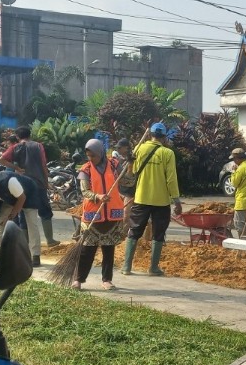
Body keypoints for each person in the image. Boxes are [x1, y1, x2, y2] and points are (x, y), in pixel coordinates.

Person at [121, 122, 182, 277]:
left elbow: (132, 171)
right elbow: (171, 179)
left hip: (141, 198)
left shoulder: (139, 149)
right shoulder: (167, 153)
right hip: (161, 201)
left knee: (134, 231)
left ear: (150, 135)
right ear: (164, 137)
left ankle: (126, 266)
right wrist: (176, 200)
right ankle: (153, 268)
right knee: (158, 234)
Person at [72, 139, 125, 291]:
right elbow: (85, 191)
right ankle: (78, 279)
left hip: (113, 214)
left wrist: (130, 166)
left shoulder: (114, 164)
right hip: (93, 215)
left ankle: (107, 280)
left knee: (109, 249)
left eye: (93, 156)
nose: (91, 159)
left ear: (101, 153)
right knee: (87, 250)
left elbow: (127, 182)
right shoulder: (86, 169)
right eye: (88, 156)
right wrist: (98, 196)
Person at [0, 126, 60, 247]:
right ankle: (50, 240)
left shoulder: (15, 147)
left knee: (23, 214)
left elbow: (1, 160)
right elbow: (43, 165)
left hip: (22, 185)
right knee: (45, 211)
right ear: (29, 135)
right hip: (38, 183)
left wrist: (16, 168)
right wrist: (46, 182)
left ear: (17, 137)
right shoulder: (38, 146)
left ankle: (25, 243)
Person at [0, 171, 42, 267]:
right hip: (9, 197)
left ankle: (35, 255)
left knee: (32, 224)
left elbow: (22, 198)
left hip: (28, 194)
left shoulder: (9, 181)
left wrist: (13, 214)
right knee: (0, 222)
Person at [112, 138, 135, 229]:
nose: (118, 150)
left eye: (119, 148)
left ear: (126, 148)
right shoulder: (121, 159)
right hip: (120, 191)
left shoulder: (132, 158)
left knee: (126, 215)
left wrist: (130, 163)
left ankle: (126, 237)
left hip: (130, 192)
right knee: (118, 215)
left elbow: (130, 176)